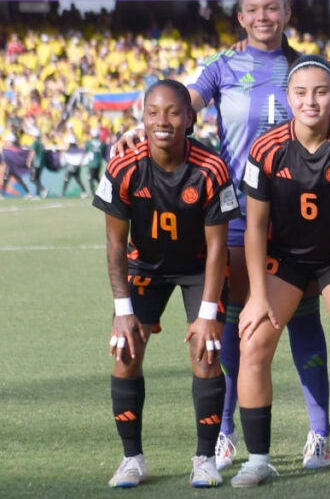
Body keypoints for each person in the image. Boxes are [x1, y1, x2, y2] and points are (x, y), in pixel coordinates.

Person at [116, 0, 330, 471]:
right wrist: (144, 128)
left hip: (300, 216)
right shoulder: (222, 66)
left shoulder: (304, 67)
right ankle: (225, 433)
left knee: (304, 321)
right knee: (235, 325)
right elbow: (183, 104)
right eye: (253, 10)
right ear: (241, 17)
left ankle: (319, 433)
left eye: (272, 8)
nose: (263, 17)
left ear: (286, 12)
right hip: (236, 216)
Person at [232, 55, 330, 488]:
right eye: (301, 93)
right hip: (287, 258)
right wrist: (258, 294)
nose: (311, 101)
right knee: (254, 343)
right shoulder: (266, 147)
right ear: (287, 97)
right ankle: (257, 459)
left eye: (321, 91)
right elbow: (256, 225)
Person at [93, 79, 238, 488]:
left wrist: (208, 313)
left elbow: (216, 250)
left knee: (207, 353)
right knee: (125, 352)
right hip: (145, 268)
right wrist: (123, 312)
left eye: (174, 112)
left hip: (198, 268)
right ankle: (132, 459)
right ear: (142, 116)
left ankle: (205, 459)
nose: (163, 121)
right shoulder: (124, 165)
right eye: (154, 112)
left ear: (190, 118)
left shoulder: (211, 168)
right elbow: (115, 244)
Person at [85, 127, 107, 196]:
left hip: (92, 163)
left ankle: (93, 193)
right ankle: (104, 189)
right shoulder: (102, 143)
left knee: (90, 178)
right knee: (96, 177)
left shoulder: (88, 143)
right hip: (99, 163)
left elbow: (86, 150)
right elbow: (103, 152)